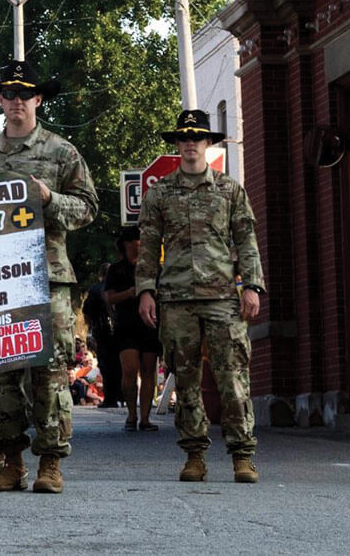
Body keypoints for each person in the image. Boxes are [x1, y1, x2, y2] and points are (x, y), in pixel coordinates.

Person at [0, 59, 98, 494]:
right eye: (8, 94)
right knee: (1, 373)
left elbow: (88, 209)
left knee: (50, 371)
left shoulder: (62, 152)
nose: (16, 101)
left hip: (48, 277)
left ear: (38, 99)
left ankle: (50, 461)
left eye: (24, 94)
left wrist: (49, 198)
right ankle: (8, 460)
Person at [136, 109, 265, 484]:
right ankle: (194, 455)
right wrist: (146, 291)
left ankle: (243, 455)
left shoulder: (229, 190)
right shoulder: (159, 193)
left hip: (223, 296)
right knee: (186, 379)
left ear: (209, 144)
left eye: (197, 137)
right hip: (176, 299)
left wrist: (252, 286)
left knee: (233, 378)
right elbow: (147, 248)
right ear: (177, 144)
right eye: (184, 137)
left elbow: (247, 240)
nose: (190, 143)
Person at [105, 226, 160, 431]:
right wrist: (129, 293)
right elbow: (109, 297)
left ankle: (145, 418)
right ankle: (131, 413)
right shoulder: (116, 269)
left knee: (148, 370)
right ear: (128, 243)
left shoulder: (153, 268)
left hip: (150, 324)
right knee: (129, 369)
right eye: (138, 240)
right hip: (126, 324)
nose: (142, 244)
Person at [82, 262, 121, 408]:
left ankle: (110, 397)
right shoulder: (119, 288)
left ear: (100, 275)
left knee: (105, 364)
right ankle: (121, 396)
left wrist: (90, 328)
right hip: (119, 329)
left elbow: (87, 310)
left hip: (102, 329)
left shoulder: (95, 289)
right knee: (119, 363)